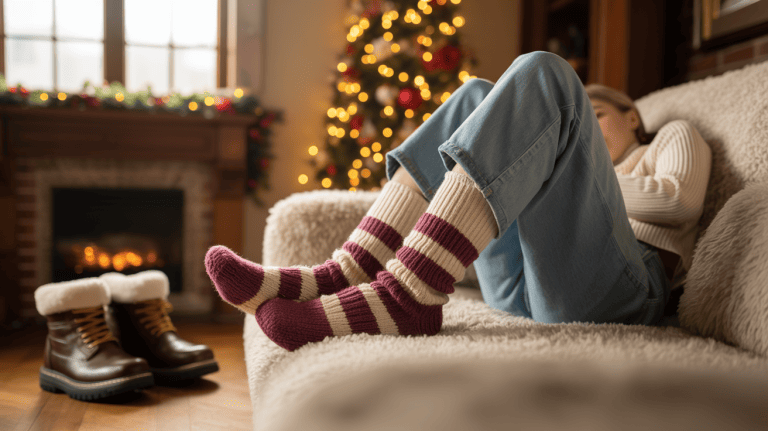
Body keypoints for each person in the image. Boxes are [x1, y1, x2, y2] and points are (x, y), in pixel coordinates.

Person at [205, 51, 712, 352]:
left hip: (622, 290)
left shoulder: (670, 138)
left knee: (546, 72)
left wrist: (551, 165)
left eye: (597, 114)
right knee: (475, 95)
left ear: (633, 116)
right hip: (527, 285)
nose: (591, 131)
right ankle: (349, 271)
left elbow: (678, 202)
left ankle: (406, 297)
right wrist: (537, 170)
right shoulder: (581, 171)